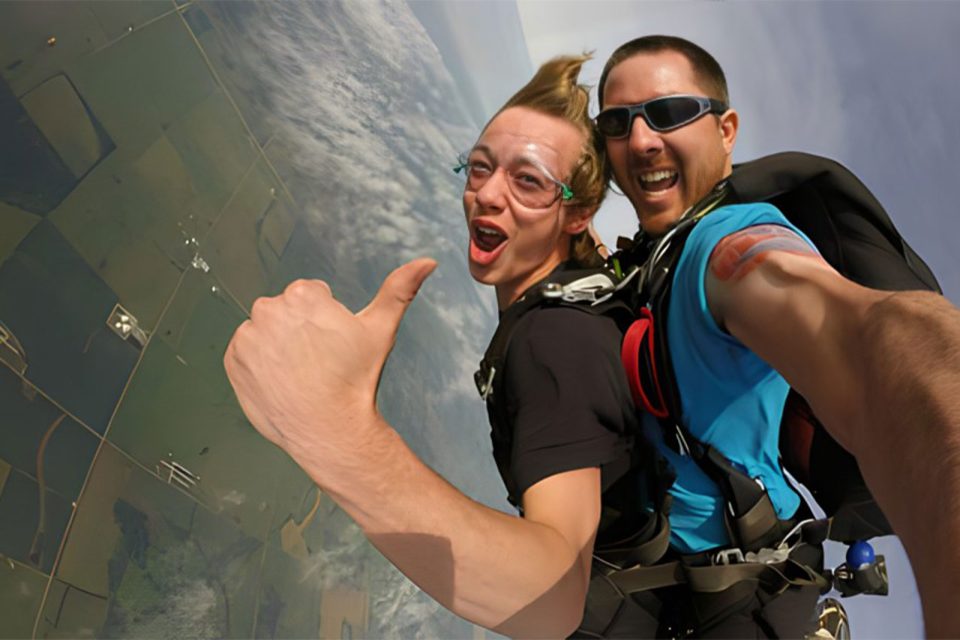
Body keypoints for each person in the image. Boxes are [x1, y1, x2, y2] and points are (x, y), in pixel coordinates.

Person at [224, 56, 640, 639]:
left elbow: (554, 596)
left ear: (576, 214)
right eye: (479, 167)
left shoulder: (555, 340)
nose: (487, 194)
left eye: (527, 180)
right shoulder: (569, 296)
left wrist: (333, 432)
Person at [593, 35, 960, 637]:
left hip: (738, 599)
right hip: (674, 580)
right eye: (617, 121)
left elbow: (868, 343)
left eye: (668, 113)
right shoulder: (653, 260)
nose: (639, 139)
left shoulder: (730, 245)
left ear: (726, 130)